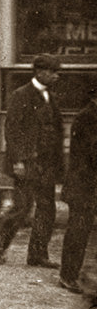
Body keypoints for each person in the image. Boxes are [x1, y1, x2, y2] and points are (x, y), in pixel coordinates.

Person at [0, 54, 64, 267]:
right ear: (40, 72)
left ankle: (37, 255)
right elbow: (12, 130)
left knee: (46, 209)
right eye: (53, 72)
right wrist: (18, 161)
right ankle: (0, 245)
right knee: (22, 208)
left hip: (47, 163)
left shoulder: (51, 96)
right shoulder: (21, 95)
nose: (57, 76)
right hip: (27, 163)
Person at [60, 82, 97, 292]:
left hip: (88, 184)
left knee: (80, 231)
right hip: (83, 185)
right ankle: (68, 276)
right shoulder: (88, 117)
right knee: (78, 232)